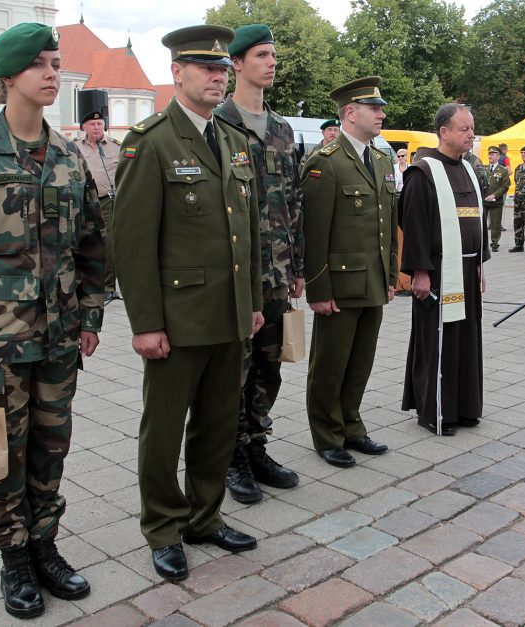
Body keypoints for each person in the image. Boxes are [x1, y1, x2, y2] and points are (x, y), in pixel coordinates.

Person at [0, 23, 105, 618]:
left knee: (50, 446)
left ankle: (45, 545)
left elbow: (92, 244)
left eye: (57, 64)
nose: (53, 74)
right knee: (3, 451)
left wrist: (90, 316)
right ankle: (13, 557)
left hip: (60, 335)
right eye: (41, 65)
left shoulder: (66, 155)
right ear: (8, 76)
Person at [113, 24, 263, 583]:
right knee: (164, 428)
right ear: (177, 72)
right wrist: (145, 322)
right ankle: (163, 526)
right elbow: (130, 242)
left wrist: (249, 303)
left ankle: (205, 515)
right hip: (175, 320)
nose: (218, 77)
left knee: (219, 424)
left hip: (228, 316)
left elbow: (243, 233)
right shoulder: (150, 141)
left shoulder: (230, 139)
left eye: (224, 69)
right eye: (207, 68)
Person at [216, 24, 304, 504]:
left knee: (270, 366)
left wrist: (297, 267)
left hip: (276, 272)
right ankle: (231, 457)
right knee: (236, 368)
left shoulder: (282, 130)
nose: (272, 62)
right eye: (261, 55)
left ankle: (256, 445)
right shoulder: (218, 124)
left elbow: (293, 203)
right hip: (236, 278)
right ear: (236, 64)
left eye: (274, 54)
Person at [301, 76, 394, 468]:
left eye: (381, 108)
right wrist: (318, 290)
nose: (382, 114)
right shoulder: (325, 163)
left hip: (372, 280)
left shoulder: (382, 159)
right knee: (330, 364)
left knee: (360, 361)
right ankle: (326, 434)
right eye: (374, 108)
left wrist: (390, 277)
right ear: (350, 113)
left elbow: (385, 226)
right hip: (339, 283)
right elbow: (314, 232)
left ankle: (351, 425)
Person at [399, 103, 487, 436]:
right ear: (444, 131)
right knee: (438, 341)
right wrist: (418, 272)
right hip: (438, 271)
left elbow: (477, 219)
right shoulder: (423, 172)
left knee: (466, 340)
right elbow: (414, 224)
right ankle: (434, 410)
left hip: (467, 268)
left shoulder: (468, 169)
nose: (471, 134)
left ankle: (463, 407)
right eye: (464, 128)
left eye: (472, 128)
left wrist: (481, 264)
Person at [76, 105, 120, 303]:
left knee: (109, 244)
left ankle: (108, 287)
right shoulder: (75, 147)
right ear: (84, 127)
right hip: (83, 202)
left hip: (108, 201)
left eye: (100, 123)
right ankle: (85, 285)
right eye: (92, 124)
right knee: (85, 241)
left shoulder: (115, 146)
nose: (96, 127)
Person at [483, 146, 510, 251]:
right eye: (489, 154)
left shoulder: (503, 170)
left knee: (495, 224)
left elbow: (505, 186)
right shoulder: (484, 169)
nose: (490, 156)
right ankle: (482, 243)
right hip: (484, 201)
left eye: (493, 154)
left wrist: (494, 195)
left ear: (498, 156)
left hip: (496, 201)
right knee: (482, 223)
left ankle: (494, 243)